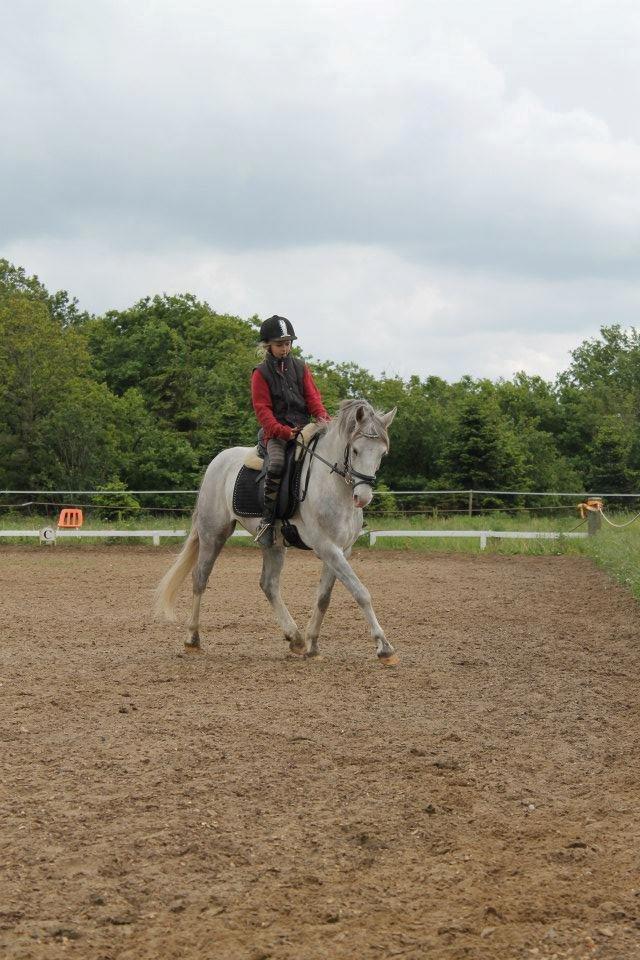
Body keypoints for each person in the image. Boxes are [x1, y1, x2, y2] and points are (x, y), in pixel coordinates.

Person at [251, 315, 329, 546]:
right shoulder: (260, 373)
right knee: (276, 464)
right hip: (277, 433)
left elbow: (313, 399)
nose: (285, 348)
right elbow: (262, 409)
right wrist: (282, 431)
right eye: (280, 344)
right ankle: (266, 521)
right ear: (268, 346)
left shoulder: (300, 367)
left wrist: (324, 420)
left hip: (306, 427)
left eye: (288, 343)